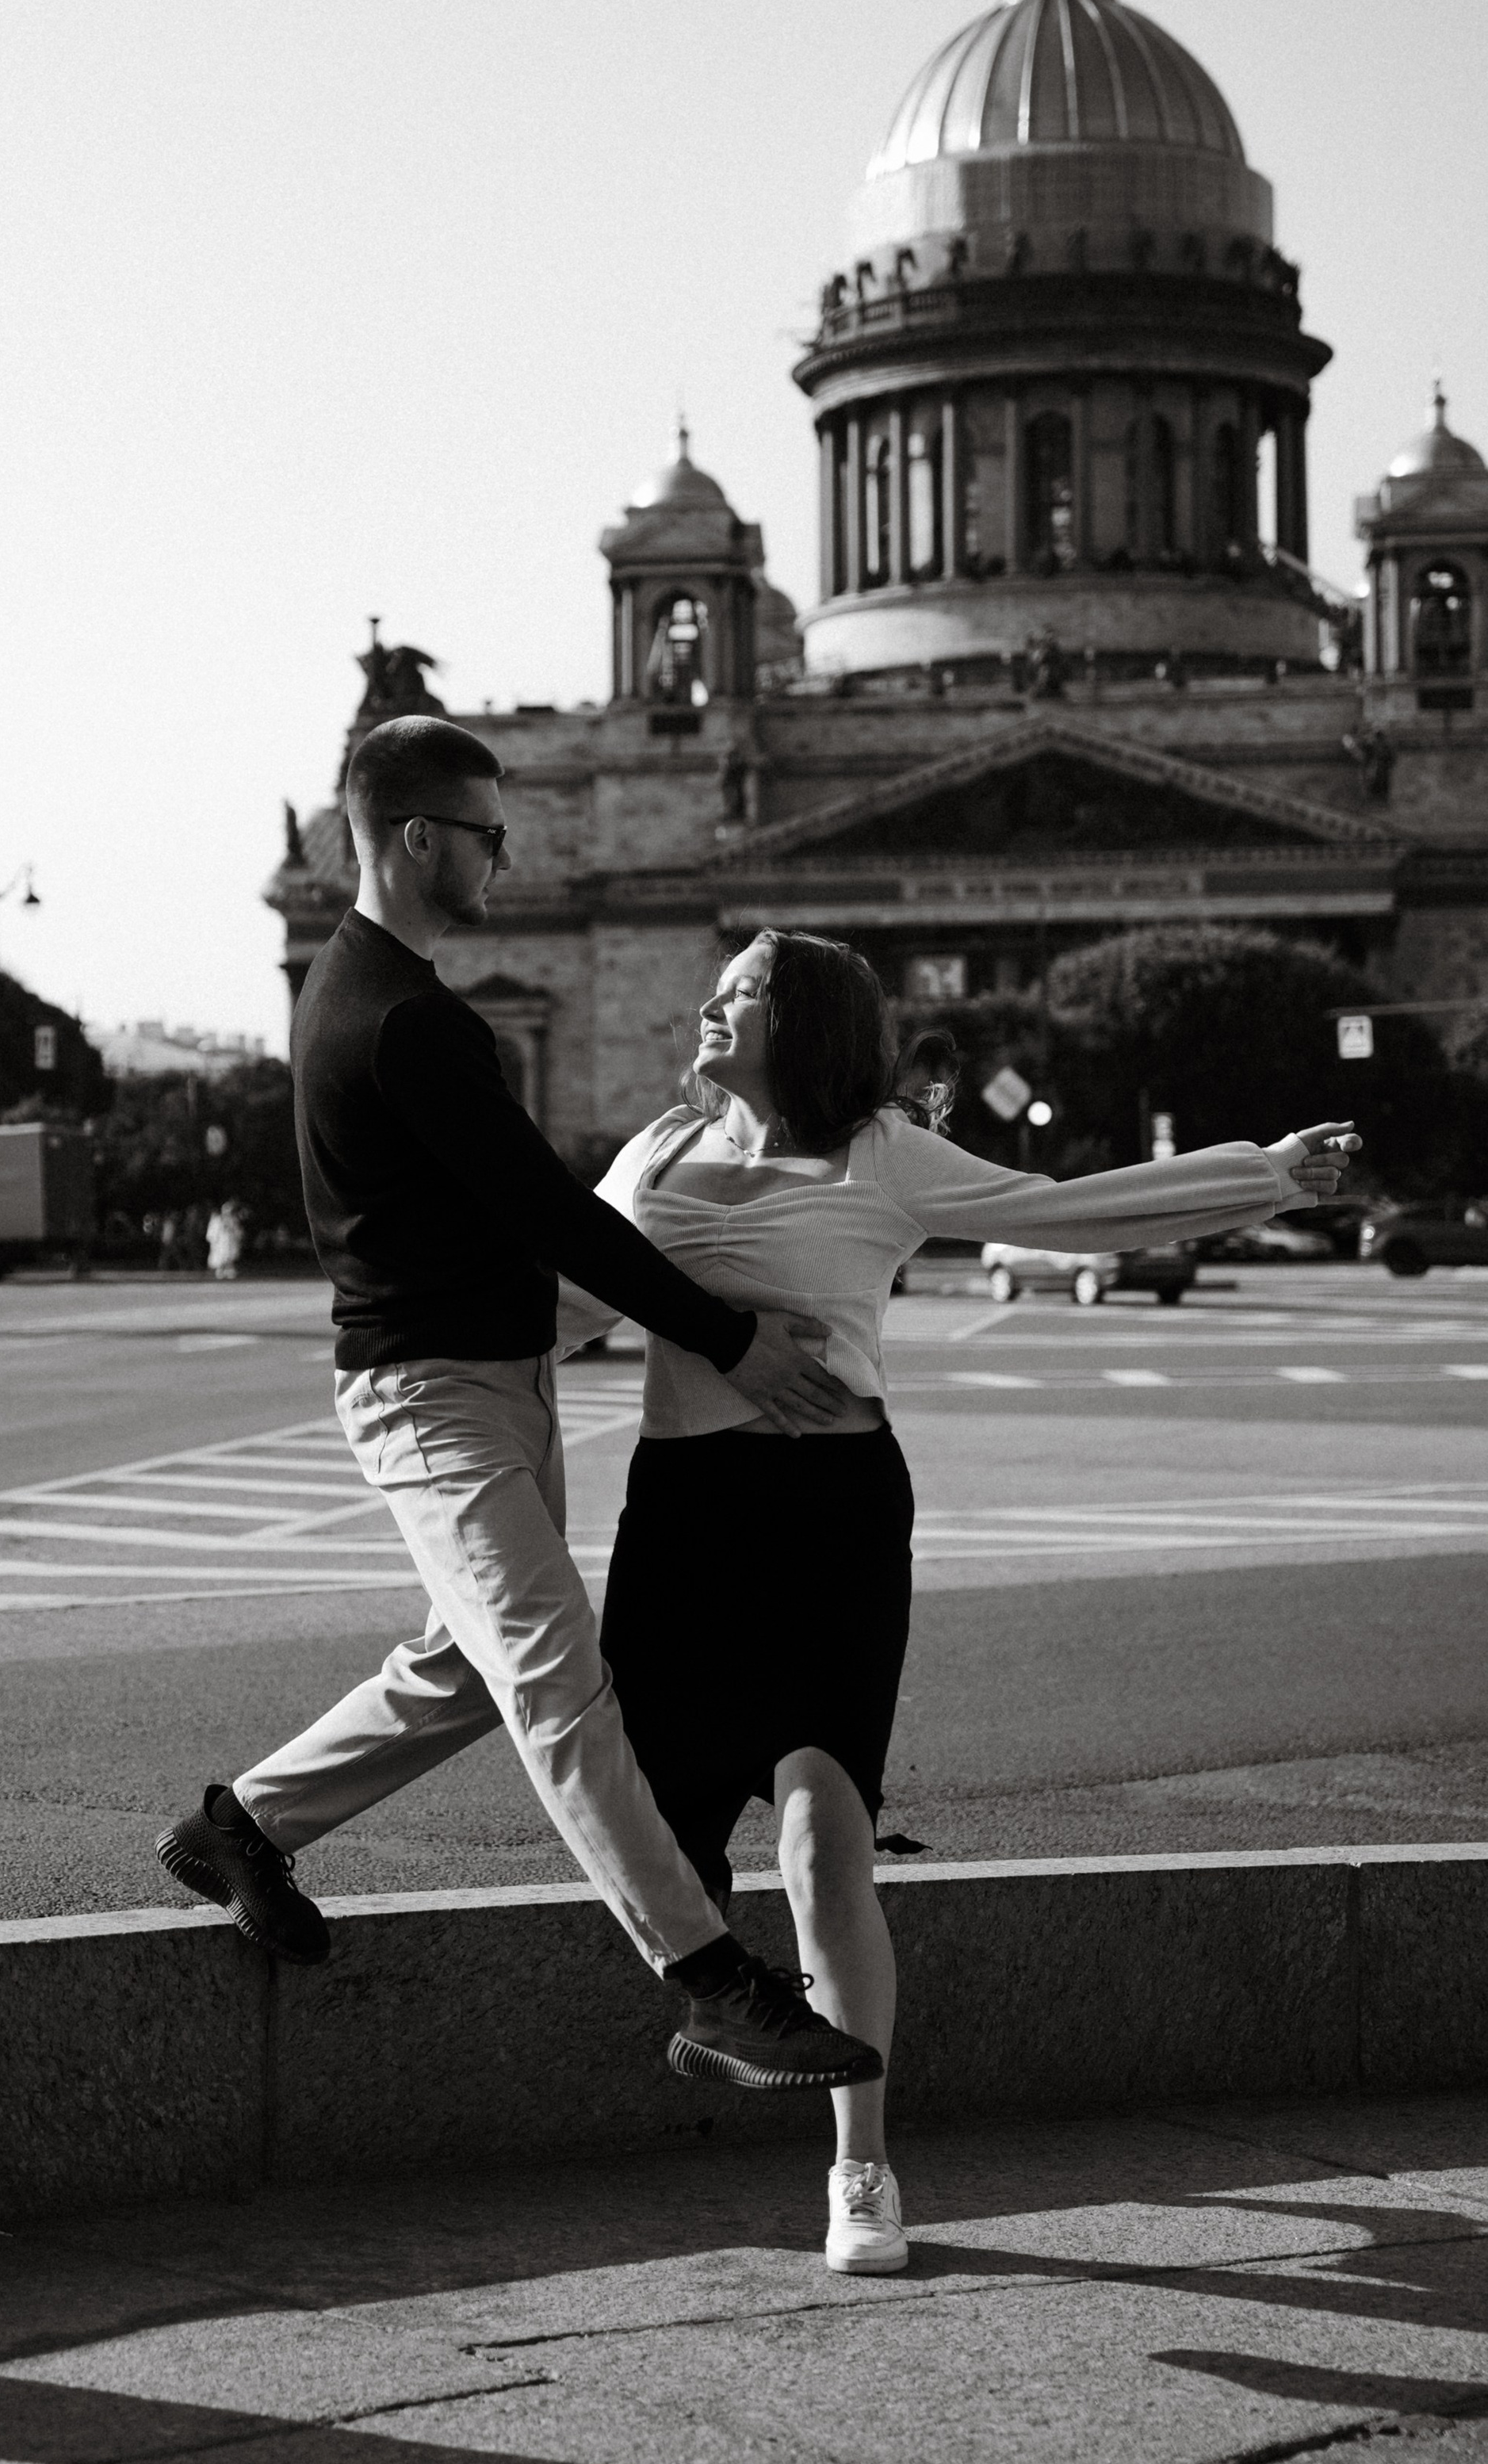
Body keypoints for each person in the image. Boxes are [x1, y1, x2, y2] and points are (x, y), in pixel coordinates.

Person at [570, 928, 1358, 2275]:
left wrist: (1260, 1176)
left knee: (825, 1844)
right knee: (659, 1844)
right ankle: (726, 2016)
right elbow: (565, 1294)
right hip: (685, 1526)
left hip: (834, 1521)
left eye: (742, 992)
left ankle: (862, 2167)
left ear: (801, 1021)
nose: (709, 1005)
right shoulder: (651, 1153)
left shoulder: (882, 1153)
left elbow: (1065, 1208)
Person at [158, 717, 883, 2095]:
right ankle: (711, 1977)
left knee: (466, 1668)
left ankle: (240, 1827)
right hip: (436, 1398)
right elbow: (549, 1210)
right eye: (489, 832)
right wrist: (729, 1335)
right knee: (559, 1684)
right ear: (419, 838)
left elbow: (518, 1221)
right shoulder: (413, 1020)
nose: (507, 855)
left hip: (482, 1383)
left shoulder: (347, 984)